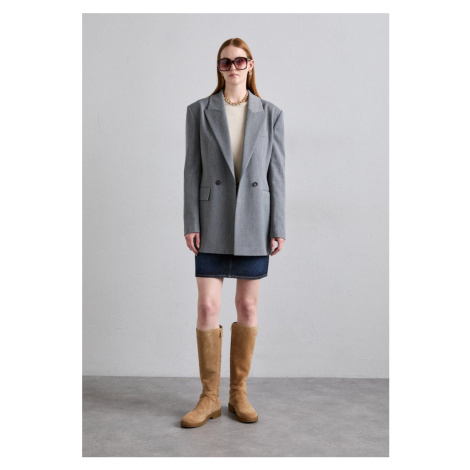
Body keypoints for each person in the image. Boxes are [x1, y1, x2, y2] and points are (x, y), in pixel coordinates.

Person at [181, 38, 286, 428]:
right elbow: (192, 169)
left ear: (250, 65)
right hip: (212, 218)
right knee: (207, 307)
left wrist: (278, 226)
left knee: (248, 307)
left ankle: (238, 393)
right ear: (219, 67)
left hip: (255, 218)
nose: (233, 67)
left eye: (240, 61)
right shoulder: (199, 111)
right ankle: (209, 397)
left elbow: (277, 174)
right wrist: (191, 221)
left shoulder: (271, 114)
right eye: (225, 62)